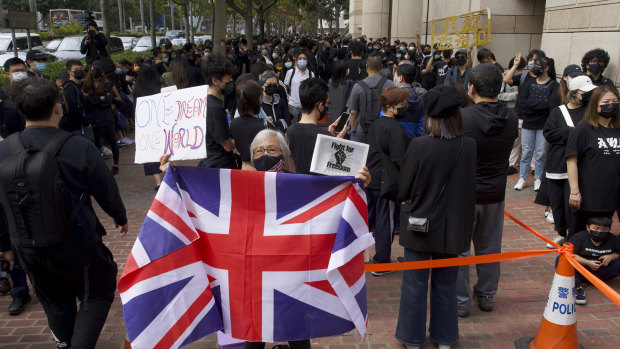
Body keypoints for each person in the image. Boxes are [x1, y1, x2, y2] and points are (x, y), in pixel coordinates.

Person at [0, 77, 127, 349]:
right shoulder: (78, 146)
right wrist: (120, 217)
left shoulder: (3, 150)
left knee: (54, 301)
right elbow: (106, 189)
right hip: (77, 243)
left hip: (28, 246)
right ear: (59, 108)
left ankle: (66, 343)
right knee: (97, 293)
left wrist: (5, 246)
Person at [396, 85, 476, 349]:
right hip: (454, 227)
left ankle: (412, 338)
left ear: (430, 116)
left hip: (420, 223)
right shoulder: (469, 146)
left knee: (414, 285)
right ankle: (445, 338)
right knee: (446, 284)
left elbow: (404, 189)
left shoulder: (419, 145)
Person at [456, 64, 518, 317]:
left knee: (459, 249)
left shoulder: (463, 117)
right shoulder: (511, 118)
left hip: (464, 193)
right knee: (490, 247)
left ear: (471, 87)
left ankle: (460, 300)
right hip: (495, 191)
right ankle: (486, 293)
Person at [542, 75, 596, 248]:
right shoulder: (558, 111)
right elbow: (549, 133)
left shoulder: (590, 112)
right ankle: (560, 232)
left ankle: (575, 236)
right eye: (584, 92)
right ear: (573, 92)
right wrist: (570, 133)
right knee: (557, 202)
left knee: (574, 205)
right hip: (558, 164)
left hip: (582, 166)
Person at [365, 87, 411, 275]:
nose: (405, 107)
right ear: (390, 107)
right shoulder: (396, 128)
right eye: (402, 105)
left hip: (370, 177)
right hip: (388, 180)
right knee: (386, 221)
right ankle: (381, 260)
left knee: (367, 219)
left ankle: (354, 256)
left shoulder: (374, 125)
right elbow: (399, 158)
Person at [566, 85, 620, 237]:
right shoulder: (583, 129)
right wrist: (574, 191)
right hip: (588, 194)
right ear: (595, 105)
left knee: (602, 235)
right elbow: (571, 160)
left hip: (612, 194)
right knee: (579, 235)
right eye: (606, 101)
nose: (612, 104)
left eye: (615, 100)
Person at [510, 55, 558, 191]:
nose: (535, 67)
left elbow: (551, 105)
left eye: (538, 65)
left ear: (546, 67)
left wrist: (535, 105)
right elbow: (523, 102)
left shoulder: (554, 85)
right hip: (528, 123)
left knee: (541, 152)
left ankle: (538, 178)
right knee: (526, 151)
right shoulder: (529, 83)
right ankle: (522, 178)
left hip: (544, 125)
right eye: (534, 64)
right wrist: (541, 105)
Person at [285, 78, 348, 174]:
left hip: (295, 185)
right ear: (320, 105)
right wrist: (336, 142)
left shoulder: (289, 132)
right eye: (327, 103)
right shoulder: (325, 137)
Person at [567, 216, 620, 305]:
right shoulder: (579, 237)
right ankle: (578, 288)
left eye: (604, 230)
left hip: (603, 271)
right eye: (596, 228)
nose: (599, 232)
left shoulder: (613, 239)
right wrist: (587, 262)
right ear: (588, 227)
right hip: (582, 272)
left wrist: (610, 256)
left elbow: (618, 252)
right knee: (562, 260)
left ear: (609, 229)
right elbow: (568, 254)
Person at [83, 60, 123, 174]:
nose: (94, 71)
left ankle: (116, 164)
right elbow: (87, 101)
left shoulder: (107, 83)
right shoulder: (86, 84)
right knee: (96, 142)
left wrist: (96, 99)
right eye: (92, 69)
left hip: (107, 118)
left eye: (97, 69)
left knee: (112, 141)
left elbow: (108, 100)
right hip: (94, 118)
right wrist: (99, 99)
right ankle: (100, 166)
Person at [200, 54, 239, 169]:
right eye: (228, 80)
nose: (231, 82)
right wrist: (241, 138)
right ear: (215, 81)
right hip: (219, 165)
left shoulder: (203, 101)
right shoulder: (215, 108)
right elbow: (227, 145)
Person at [347, 55, 394, 143]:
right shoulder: (389, 84)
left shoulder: (358, 86)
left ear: (366, 66)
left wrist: (352, 130)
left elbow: (353, 112)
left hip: (360, 129)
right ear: (381, 67)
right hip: (382, 129)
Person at [133, 64, 164, 190]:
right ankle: (169, 176)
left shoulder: (137, 89)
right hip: (160, 122)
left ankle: (158, 182)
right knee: (164, 150)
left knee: (151, 152)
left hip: (146, 125)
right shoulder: (159, 87)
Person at [230, 80, 267, 169]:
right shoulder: (263, 125)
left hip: (243, 167)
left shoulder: (233, 123)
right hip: (261, 170)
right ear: (258, 99)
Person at [60, 60, 92, 142]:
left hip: (82, 124)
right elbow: (73, 108)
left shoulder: (77, 86)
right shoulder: (69, 87)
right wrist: (86, 123)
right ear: (69, 72)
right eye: (76, 69)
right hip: (78, 127)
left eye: (81, 69)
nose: (79, 71)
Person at [393, 64, 425, 140]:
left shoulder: (393, 97)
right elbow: (422, 122)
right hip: (412, 138)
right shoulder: (419, 98)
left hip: (395, 137)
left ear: (400, 78)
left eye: (395, 76)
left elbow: (385, 118)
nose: (394, 78)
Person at [284, 50, 315, 122]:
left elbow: (312, 88)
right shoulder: (291, 72)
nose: (302, 60)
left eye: (304, 59)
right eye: (300, 58)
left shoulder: (311, 74)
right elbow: (286, 86)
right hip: (293, 105)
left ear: (307, 61)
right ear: (296, 60)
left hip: (305, 106)